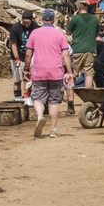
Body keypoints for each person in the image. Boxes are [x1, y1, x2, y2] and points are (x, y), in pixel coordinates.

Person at [24, 9, 74, 138]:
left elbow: (28, 54)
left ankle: (40, 116)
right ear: (53, 20)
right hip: (56, 72)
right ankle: (53, 129)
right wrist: (69, 72)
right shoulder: (59, 34)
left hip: (39, 71)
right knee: (54, 101)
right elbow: (66, 54)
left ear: (42, 20)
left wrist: (26, 69)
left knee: (37, 97)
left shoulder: (34, 33)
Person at [66, 1, 100, 114]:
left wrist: (74, 17)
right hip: (91, 49)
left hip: (77, 49)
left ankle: (71, 104)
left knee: (73, 75)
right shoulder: (95, 18)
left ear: (78, 8)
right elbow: (96, 34)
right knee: (89, 73)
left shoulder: (75, 18)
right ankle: (88, 102)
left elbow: (68, 31)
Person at [9, 11, 39, 101]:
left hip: (30, 57)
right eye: (25, 23)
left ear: (31, 20)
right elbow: (13, 44)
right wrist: (17, 58)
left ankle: (27, 98)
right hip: (17, 56)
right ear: (22, 20)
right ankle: (17, 99)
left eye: (28, 23)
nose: (26, 25)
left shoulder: (35, 27)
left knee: (27, 79)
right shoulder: (16, 28)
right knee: (17, 80)